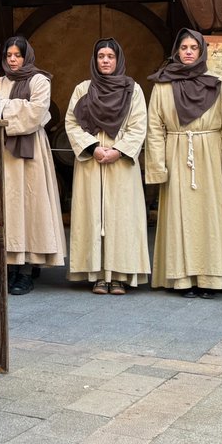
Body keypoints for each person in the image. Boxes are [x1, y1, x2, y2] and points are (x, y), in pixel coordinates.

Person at [146, 30, 222, 297]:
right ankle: (182, 278)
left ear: (202, 52)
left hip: (210, 156)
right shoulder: (162, 86)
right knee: (180, 218)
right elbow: (154, 128)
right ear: (176, 51)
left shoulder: (217, 85)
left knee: (210, 218)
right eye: (184, 47)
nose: (188, 52)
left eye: (194, 48)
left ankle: (210, 278)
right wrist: (158, 167)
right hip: (177, 154)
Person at [64, 38, 149, 294]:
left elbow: (138, 125)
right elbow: (72, 122)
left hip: (121, 162)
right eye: (101, 56)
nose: (105, 61)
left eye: (110, 56)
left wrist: (118, 151)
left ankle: (120, 274)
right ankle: (98, 274)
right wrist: (93, 147)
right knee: (92, 215)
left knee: (122, 217)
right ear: (95, 59)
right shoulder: (83, 89)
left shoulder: (132, 90)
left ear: (118, 59)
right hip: (92, 159)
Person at [0, 36, 66, 295]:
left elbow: (37, 113)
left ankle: (26, 269)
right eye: (9, 55)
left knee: (30, 205)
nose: (13, 60)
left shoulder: (40, 80)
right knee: (7, 207)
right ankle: (8, 265)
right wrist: (18, 107)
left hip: (32, 154)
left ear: (27, 56)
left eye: (18, 55)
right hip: (4, 153)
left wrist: (5, 107)